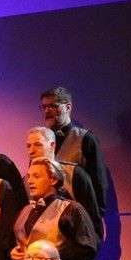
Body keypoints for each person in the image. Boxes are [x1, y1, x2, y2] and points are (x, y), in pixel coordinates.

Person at [12, 158, 99, 260]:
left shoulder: (71, 209)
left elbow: (87, 248)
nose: (30, 181)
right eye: (29, 176)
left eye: (36, 176)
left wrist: (50, 254)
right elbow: (21, 242)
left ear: (53, 179)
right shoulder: (25, 210)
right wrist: (14, 252)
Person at [24, 125, 103, 240]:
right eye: (28, 146)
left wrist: (91, 244)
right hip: (37, 247)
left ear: (52, 145)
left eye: (38, 145)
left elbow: (92, 217)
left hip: (71, 243)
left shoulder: (74, 173)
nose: (32, 151)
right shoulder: (26, 181)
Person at [40, 86, 107, 219]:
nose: (47, 110)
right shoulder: (41, 139)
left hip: (76, 216)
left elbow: (98, 181)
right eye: (44, 107)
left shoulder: (85, 138)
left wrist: (95, 218)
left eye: (53, 106)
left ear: (68, 107)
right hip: (47, 216)